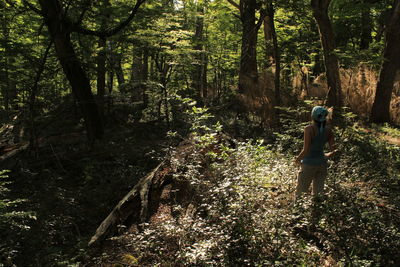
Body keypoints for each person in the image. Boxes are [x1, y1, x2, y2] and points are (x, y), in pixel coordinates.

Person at [294, 106, 337, 199]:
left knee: (300, 193)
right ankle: (317, 212)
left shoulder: (309, 129)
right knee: (318, 194)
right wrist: (326, 155)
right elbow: (334, 150)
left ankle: (298, 212)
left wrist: (297, 160)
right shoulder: (329, 130)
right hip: (322, 164)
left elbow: (306, 150)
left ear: (313, 116)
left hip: (308, 164)